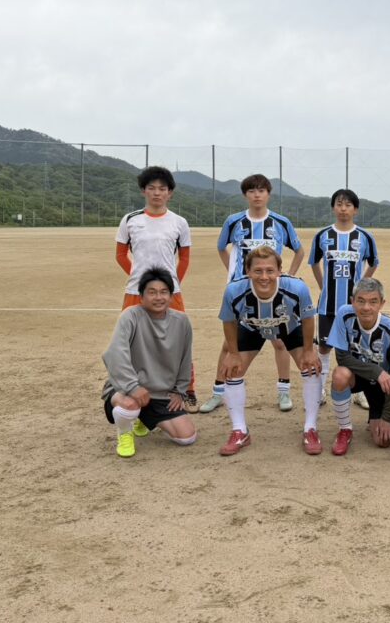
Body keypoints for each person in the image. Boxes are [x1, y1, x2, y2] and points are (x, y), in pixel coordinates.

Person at [204, 173, 305, 414]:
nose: (257, 195)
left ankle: (283, 391)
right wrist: (234, 275)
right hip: (243, 293)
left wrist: (287, 276)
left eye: (261, 190)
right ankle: (218, 392)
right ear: (245, 195)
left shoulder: (281, 222)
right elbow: (221, 248)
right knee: (229, 344)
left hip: (273, 290)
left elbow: (299, 251)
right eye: (251, 191)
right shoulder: (234, 221)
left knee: (279, 340)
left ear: (268, 194)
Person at [218, 246, 322, 455]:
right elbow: (229, 322)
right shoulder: (234, 290)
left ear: (279, 271)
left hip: (289, 327)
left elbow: (308, 318)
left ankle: (310, 428)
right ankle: (240, 431)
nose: (264, 276)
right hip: (252, 327)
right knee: (232, 370)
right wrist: (233, 354)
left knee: (311, 367)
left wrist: (309, 350)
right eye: (258, 270)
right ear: (247, 271)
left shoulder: (297, 288)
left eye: (270, 270)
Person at [114, 166, 199, 413]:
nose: (157, 193)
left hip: (171, 294)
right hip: (136, 292)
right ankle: (130, 390)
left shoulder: (179, 222)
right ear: (143, 191)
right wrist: (142, 283)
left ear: (170, 193)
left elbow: (184, 258)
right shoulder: (130, 220)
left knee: (178, 341)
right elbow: (120, 255)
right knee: (130, 342)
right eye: (151, 188)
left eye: (162, 188)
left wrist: (170, 287)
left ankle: (187, 390)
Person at [101, 267, 198, 458]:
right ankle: (125, 432)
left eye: (163, 292)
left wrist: (180, 390)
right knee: (129, 405)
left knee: (187, 437)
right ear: (141, 296)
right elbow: (115, 354)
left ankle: (142, 419)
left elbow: (186, 358)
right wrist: (133, 387)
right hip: (127, 389)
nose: (158, 297)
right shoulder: (130, 316)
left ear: (171, 296)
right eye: (152, 292)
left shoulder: (182, 321)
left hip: (161, 393)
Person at [309, 189, 379, 409]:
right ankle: (319, 390)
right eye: (339, 204)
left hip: (354, 307)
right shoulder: (323, 235)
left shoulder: (364, 237)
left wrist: (361, 287)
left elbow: (374, 262)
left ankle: (360, 392)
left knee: (358, 349)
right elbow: (314, 262)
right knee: (324, 349)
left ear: (355, 209)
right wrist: (323, 286)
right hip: (328, 306)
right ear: (333, 207)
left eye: (348, 205)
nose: (343, 209)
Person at [325, 278, 390, 456]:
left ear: (382, 304)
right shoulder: (344, 315)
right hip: (358, 377)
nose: (366, 307)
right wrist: (376, 371)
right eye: (360, 301)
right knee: (340, 375)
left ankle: (375, 414)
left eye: (373, 301)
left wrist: (388, 417)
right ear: (352, 301)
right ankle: (345, 429)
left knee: (383, 442)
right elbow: (342, 357)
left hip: (381, 385)